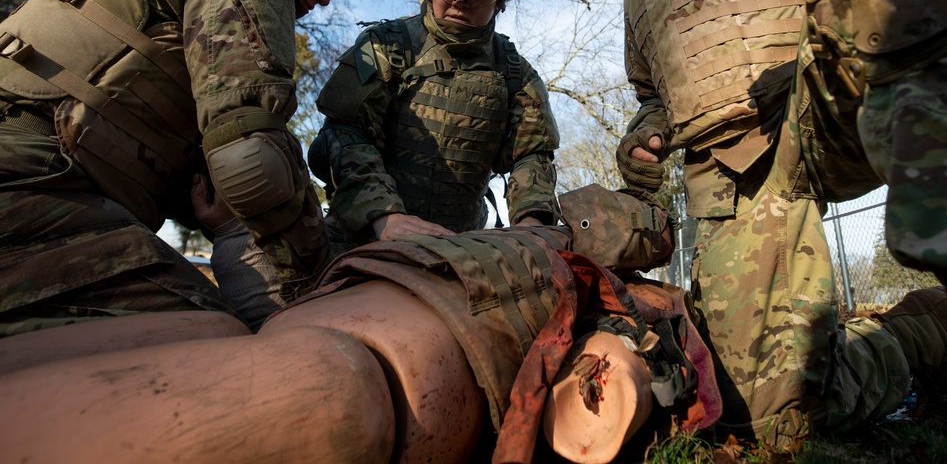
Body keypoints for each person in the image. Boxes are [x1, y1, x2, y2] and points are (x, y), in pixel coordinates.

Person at [566, 0, 947, 450]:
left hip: (820, 106)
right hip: (731, 184)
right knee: (772, 421)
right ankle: (927, 334)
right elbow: (653, 97)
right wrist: (645, 136)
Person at [0, 184, 722, 464]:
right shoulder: (554, 248)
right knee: (307, 377)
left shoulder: (626, 290)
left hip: (370, 364)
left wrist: (624, 351)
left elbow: (601, 406)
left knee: (327, 386)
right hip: (354, 336)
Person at [0, 0, 380, 349]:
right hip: (31, 184)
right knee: (221, 349)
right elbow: (251, 164)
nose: (324, 1)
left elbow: (149, 135)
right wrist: (317, 273)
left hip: (39, 180)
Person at [308, 0, 560, 250]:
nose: (460, 1)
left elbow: (532, 157)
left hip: (458, 249)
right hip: (364, 238)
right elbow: (341, 135)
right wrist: (384, 215)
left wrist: (532, 224)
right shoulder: (385, 46)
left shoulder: (515, 74)